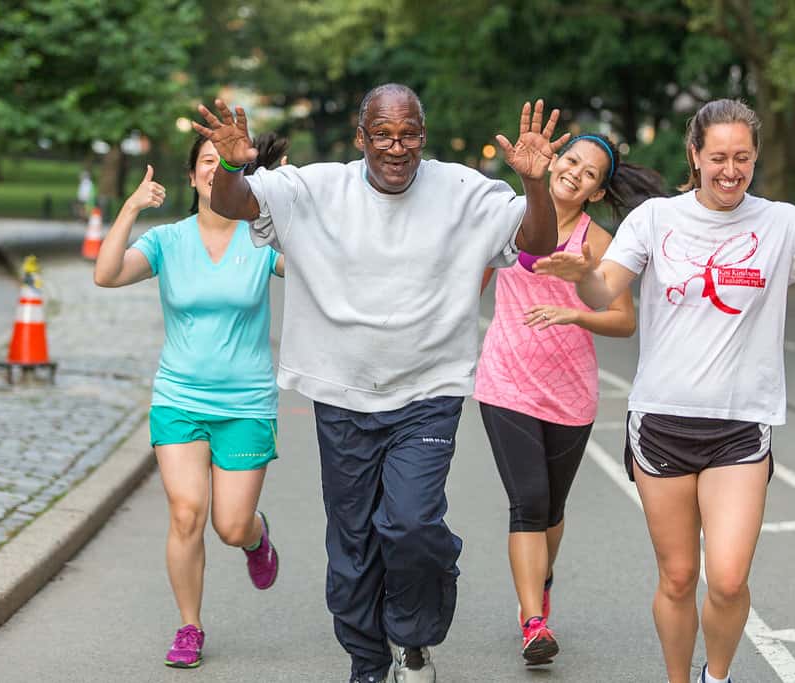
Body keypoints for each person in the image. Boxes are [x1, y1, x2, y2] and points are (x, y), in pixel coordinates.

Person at [193, 83, 566, 683]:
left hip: (428, 394)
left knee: (413, 524)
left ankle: (414, 641)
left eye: (410, 134)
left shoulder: (465, 192)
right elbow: (237, 203)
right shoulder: (315, 189)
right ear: (361, 138)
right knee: (354, 546)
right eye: (384, 136)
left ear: (425, 135)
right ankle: (367, 662)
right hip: (340, 395)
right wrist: (234, 164)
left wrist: (536, 183)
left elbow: (539, 242)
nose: (398, 148)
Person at [534, 99, 795, 683]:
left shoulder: (782, 223)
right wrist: (584, 280)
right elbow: (607, 292)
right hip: (662, 423)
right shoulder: (655, 221)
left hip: (739, 426)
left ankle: (716, 677)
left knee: (727, 579)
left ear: (754, 159)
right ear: (695, 156)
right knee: (678, 578)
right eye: (719, 157)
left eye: (743, 159)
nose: (731, 170)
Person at [93, 132, 288, 669]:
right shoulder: (168, 241)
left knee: (230, 525)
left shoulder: (261, 241)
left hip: (247, 404)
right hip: (178, 397)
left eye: (225, 164)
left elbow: (314, 269)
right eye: (206, 161)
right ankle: (189, 626)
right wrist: (131, 207)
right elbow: (106, 274)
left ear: (240, 177)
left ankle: (256, 538)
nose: (214, 170)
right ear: (192, 176)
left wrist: (282, 204)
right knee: (185, 514)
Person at [474, 132, 665, 666]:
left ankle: (542, 577)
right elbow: (470, 286)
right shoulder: (509, 220)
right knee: (529, 502)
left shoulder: (598, 243)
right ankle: (535, 621)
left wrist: (575, 311)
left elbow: (624, 320)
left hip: (569, 393)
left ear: (598, 193)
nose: (575, 173)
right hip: (505, 382)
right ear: (554, 161)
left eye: (590, 174)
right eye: (571, 161)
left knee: (552, 509)